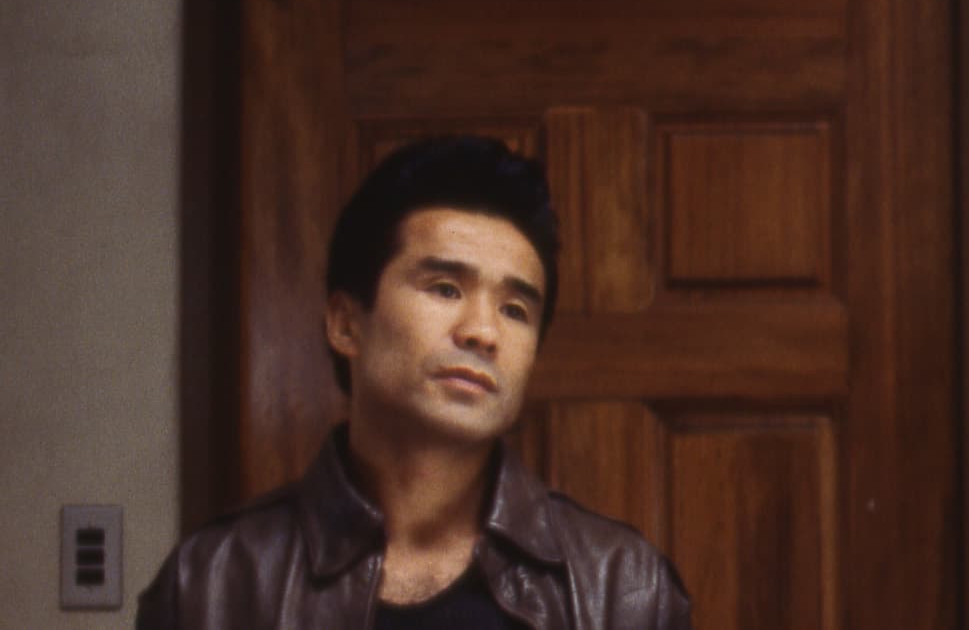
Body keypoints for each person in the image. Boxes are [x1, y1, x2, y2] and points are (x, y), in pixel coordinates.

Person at [138, 137, 691, 629]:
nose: (483, 332)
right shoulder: (209, 585)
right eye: (446, 288)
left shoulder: (624, 588)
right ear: (346, 324)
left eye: (515, 310)